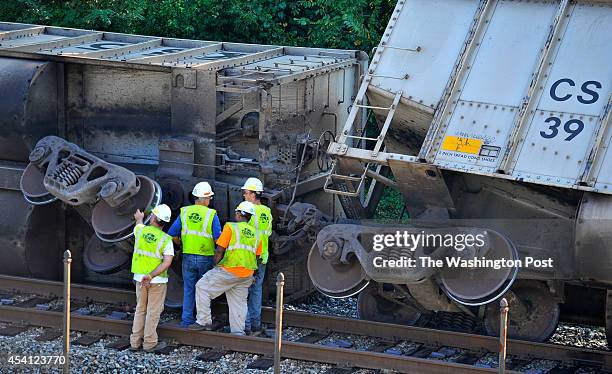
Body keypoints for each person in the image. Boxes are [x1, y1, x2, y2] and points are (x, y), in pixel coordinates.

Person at [189, 201, 262, 335]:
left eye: (236, 212)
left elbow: (219, 250)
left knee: (202, 286)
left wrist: (214, 267)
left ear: (239, 214)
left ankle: (203, 320)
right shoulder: (257, 234)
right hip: (247, 274)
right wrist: (253, 275)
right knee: (238, 303)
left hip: (230, 269)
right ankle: (238, 332)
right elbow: (257, 257)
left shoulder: (230, 227)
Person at [167, 182, 221, 328]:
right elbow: (218, 239)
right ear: (204, 199)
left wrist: (179, 244)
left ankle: (186, 320)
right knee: (204, 289)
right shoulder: (211, 214)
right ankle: (202, 319)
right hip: (206, 256)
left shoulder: (184, 212)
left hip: (188, 256)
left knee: (189, 288)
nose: (209, 200)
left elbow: (172, 234)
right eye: (209, 198)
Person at [129, 204, 174, 353]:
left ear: (153, 218)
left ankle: (135, 342)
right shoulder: (166, 240)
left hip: (140, 279)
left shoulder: (141, 231)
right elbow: (167, 262)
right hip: (157, 281)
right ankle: (149, 343)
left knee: (140, 309)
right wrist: (152, 275)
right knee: (153, 311)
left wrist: (139, 218)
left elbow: (138, 225)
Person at [241, 177, 273, 335]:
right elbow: (268, 233)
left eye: (246, 193)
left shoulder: (248, 211)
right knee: (256, 290)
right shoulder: (267, 212)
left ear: (254, 194)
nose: (244, 196)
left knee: (244, 289)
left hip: (249, 256)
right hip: (263, 256)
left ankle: (245, 325)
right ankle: (255, 323)